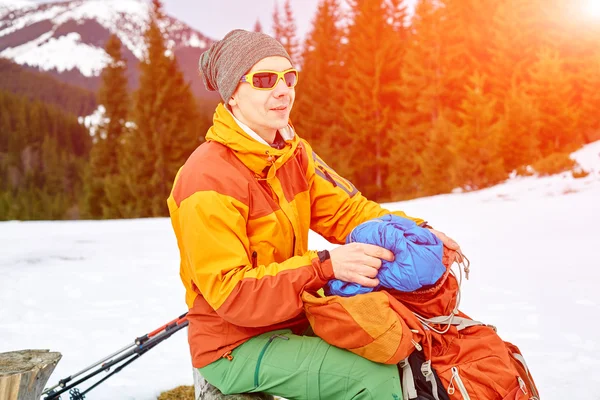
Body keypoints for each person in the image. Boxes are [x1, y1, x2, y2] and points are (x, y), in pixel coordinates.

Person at [167, 29, 461, 400]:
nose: (282, 90)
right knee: (372, 378)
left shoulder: (292, 152)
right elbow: (232, 293)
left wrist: (417, 231)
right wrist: (326, 267)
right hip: (233, 344)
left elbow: (347, 211)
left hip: (292, 317)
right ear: (233, 95)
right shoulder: (206, 179)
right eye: (263, 80)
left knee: (404, 349)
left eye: (289, 77)